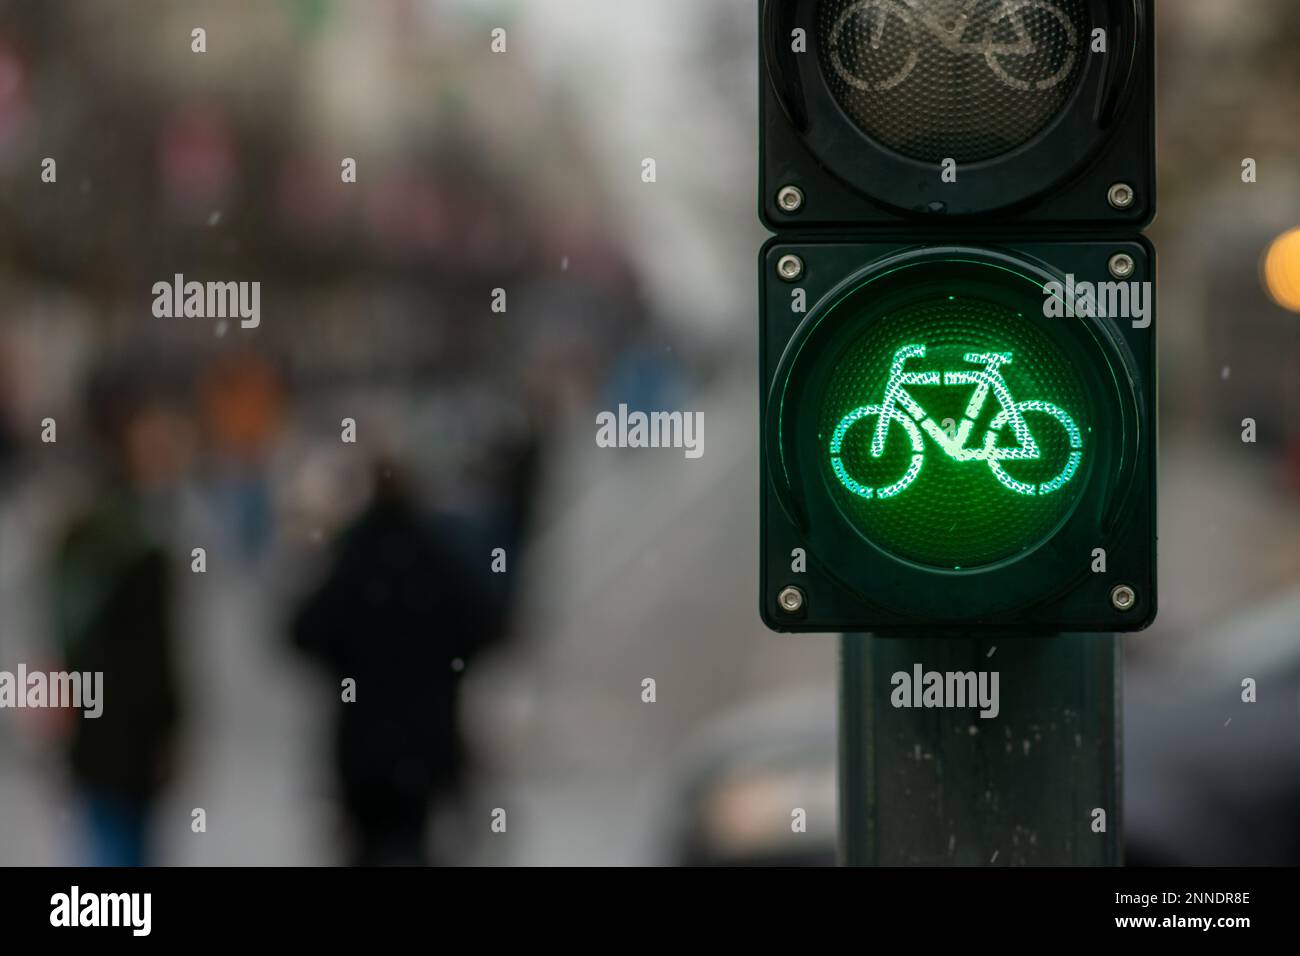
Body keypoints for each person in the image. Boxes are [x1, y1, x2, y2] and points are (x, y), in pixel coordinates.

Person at [292, 461, 502, 865]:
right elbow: (487, 625)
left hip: (360, 748)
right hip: (427, 742)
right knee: (414, 839)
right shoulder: (437, 555)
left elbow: (303, 633)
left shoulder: (353, 557)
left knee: (367, 845)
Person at [51, 368, 185, 866]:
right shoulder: (135, 544)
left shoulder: (85, 529)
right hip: (122, 740)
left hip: (101, 738)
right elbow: (153, 655)